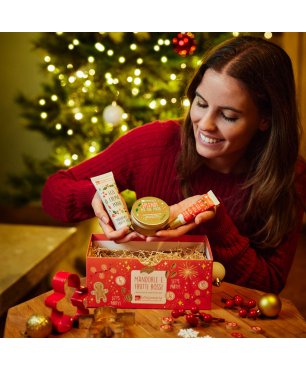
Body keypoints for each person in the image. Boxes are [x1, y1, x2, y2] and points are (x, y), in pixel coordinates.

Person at [42, 35, 306, 294]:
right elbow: (53, 192)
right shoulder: (155, 144)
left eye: (228, 115)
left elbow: (270, 283)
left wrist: (216, 222)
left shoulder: (290, 174)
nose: (205, 124)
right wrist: (93, 196)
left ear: (265, 119)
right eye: (200, 103)